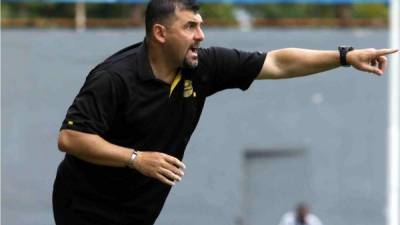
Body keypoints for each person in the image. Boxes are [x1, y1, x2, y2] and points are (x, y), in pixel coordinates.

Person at [52, 0, 398, 225]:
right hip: (85, 207)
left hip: (138, 210)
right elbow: (70, 137)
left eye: (200, 25)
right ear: (160, 32)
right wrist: (135, 159)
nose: (201, 35)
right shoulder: (115, 78)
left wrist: (344, 56)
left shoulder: (203, 66)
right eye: (190, 26)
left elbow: (277, 62)